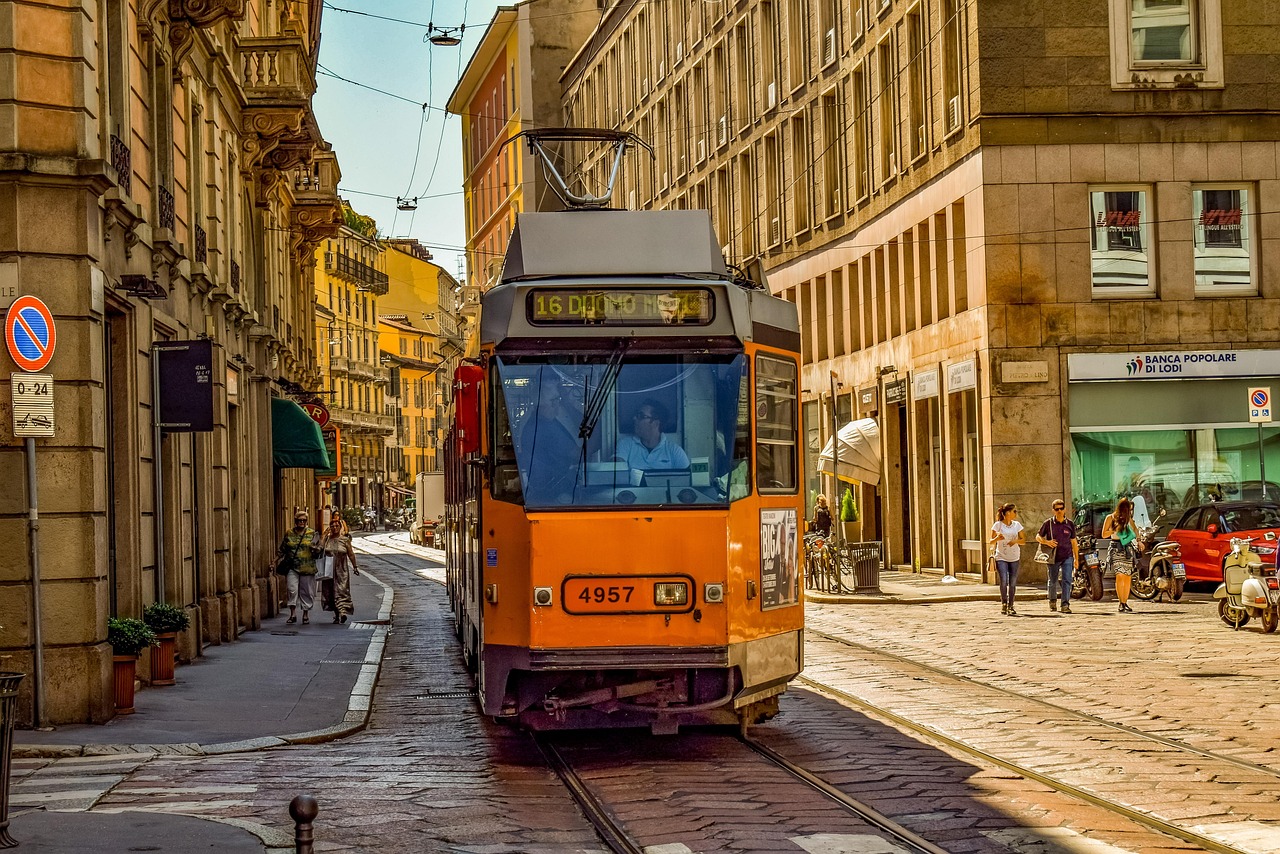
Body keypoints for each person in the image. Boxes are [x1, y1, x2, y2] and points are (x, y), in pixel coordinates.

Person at [523, 381, 582, 503]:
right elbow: (577, 455)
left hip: (548, 488)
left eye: (557, 399)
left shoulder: (543, 422)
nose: (557, 404)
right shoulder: (544, 428)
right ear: (540, 404)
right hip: (553, 492)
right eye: (553, 400)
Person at [614, 399, 690, 475]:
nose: (634, 418)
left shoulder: (675, 451)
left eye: (641, 416)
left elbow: (687, 479)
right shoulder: (625, 444)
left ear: (656, 423)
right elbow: (616, 470)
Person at [277, 510, 319, 625]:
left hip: (307, 567)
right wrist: (274, 561)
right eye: (299, 520)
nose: (301, 522)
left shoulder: (312, 533)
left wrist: (316, 550)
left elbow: (318, 552)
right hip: (292, 566)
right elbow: (283, 549)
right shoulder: (289, 533)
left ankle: (305, 614)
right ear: (295, 521)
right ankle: (293, 614)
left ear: (306, 522)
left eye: (304, 520)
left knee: (306, 592)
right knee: (292, 589)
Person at [1037, 499, 1079, 614]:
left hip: (1067, 556)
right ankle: (1052, 601)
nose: (1059, 511)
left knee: (1067, 580)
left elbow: (1074, 542)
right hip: (1053, 557)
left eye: (1061, 508)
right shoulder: (1048, 523)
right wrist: (1046, 542)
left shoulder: (1070, 524)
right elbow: (1038, 536)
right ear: (1053, 511)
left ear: (1065, 509)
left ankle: (1065, 604)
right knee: (1052, 580)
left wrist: (1076, 559)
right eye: (1057, 509)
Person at [1103, 496, 1142, 613]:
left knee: (1127, 576)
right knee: (1120, 575)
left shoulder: (1128, 518)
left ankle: (1125, 602)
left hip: (1127, 547)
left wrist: (1139, 541)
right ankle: (1121, 602)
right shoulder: (1110, 517)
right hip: (1116, 547)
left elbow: (1135, 530)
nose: (1129, 512)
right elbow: (1104, 534)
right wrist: (1115, 530)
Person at [319, 516, 360, 624]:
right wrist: (323, 536)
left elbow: (351, 554)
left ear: (340, 527)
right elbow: (320, 549)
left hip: (342, 570)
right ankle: (337, 615)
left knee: (342, 591)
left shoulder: (345, 540)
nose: (334, 527)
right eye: (332, 526)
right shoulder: (327, 539)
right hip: (328, 570)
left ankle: (343, 612)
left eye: (337, 525)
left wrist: (355, 567)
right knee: (331, 592)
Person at [989, 503, 1024, 616]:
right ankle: (1004, 603)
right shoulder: (998, 525)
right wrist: (997, 538)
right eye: (1015, 511)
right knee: (1003, 580)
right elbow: (990, 541)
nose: (1016, 513)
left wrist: (1015, 541)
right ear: (1008, 513)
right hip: (1001, 556)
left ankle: (1011, 605)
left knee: (1012, 582)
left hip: (1014, 556)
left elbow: (1023, 540)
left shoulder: (1017, 525)